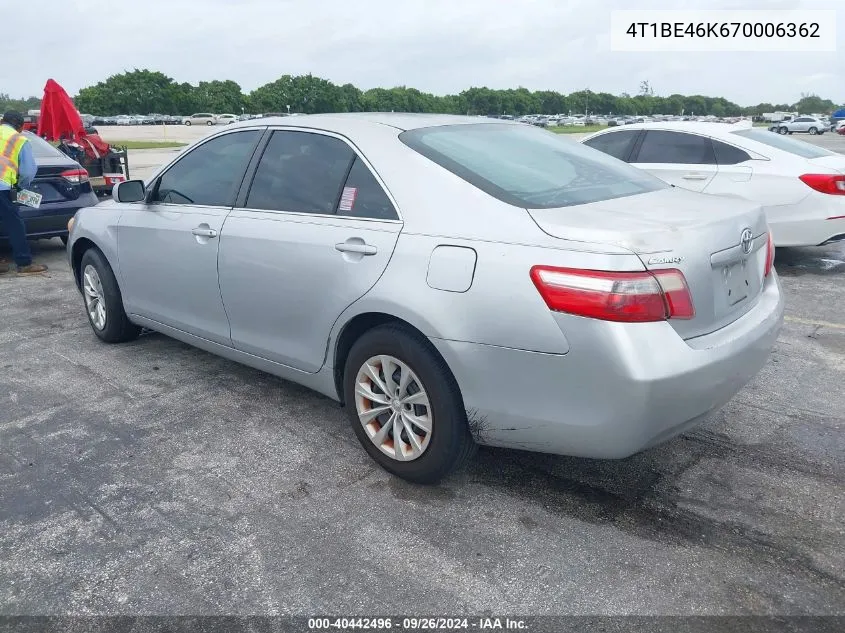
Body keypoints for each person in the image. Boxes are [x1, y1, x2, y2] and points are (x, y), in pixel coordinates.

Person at [0, 111, 48, 274]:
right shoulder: (19, 139)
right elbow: (27, 171)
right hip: (1, 187)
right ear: (20, 127)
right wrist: (21, 187)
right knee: (15, 224)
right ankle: (24, 262)